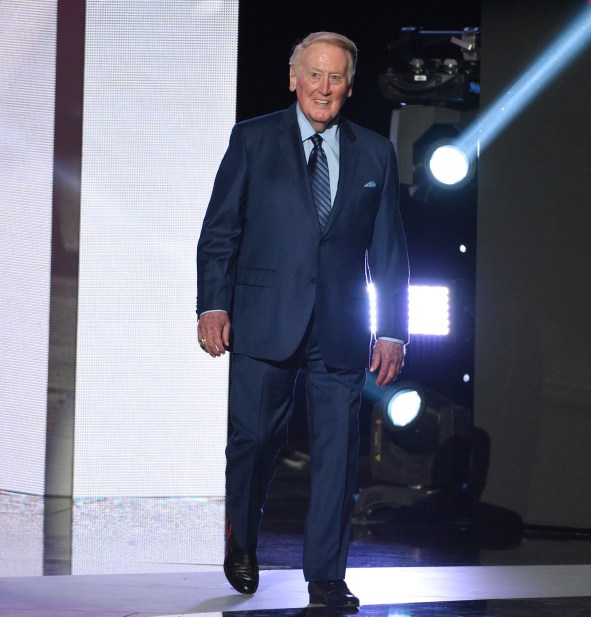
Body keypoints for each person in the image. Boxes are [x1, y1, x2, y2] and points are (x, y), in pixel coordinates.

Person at [196, 31, 409, 609]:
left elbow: (390, 249)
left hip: (340, 328)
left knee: (338, 458)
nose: (324, 87)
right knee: (255, 439)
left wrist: (392, 327)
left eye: (335, 77)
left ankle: (327, 578)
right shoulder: (252, 139)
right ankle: (242, 540)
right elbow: (219, 233)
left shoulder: (375, 152)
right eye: (314, 74)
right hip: (263, 319)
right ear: (294, 79)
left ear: (349, 85)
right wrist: (213, 304)